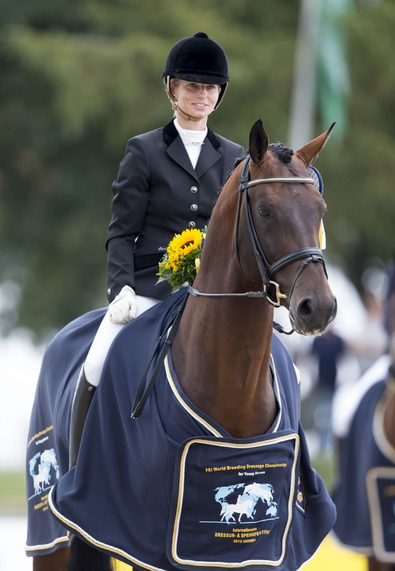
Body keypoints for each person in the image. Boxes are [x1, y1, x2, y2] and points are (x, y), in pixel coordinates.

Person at [69, 32, 245, 467]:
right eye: (192, 86)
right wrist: (121, 292)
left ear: (219, 94)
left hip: (215, 295)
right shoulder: (143, 150)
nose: (200, 94)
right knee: (97, 362)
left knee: (285, 371)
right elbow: (120, 232)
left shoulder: (235, 157)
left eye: (208, 88)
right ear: (172, 89)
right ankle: (79, 474)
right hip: (149, 291)